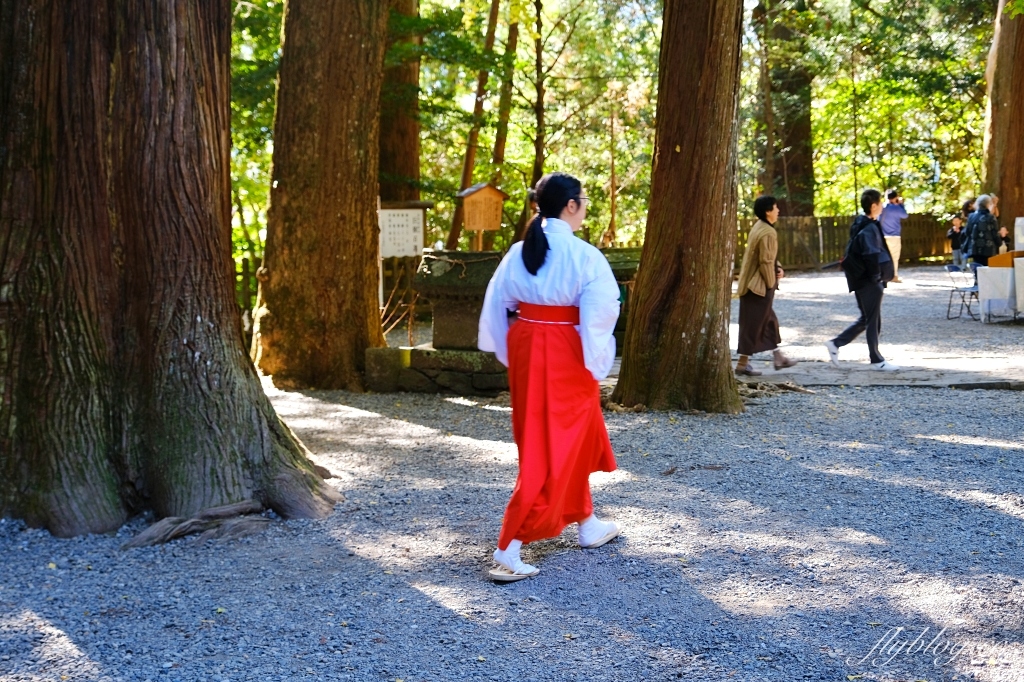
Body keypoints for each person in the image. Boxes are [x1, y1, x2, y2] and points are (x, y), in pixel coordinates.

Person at [478, 172, 621, 582]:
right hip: (564, 350)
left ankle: (586, 520)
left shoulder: (520, 252)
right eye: (585, 199)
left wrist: (517, 344)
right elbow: (600, 314)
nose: (586, 206)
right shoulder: (584, 256)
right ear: (570, 206)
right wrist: (595, 358)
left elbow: (499, 303)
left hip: (529, 344)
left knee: (563, 438)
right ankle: (509, 546)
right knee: (554, 445)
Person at [825, 189, 900, 371]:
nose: (882, 207)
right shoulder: (869, 228)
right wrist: (877, 279)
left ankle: (835, 344)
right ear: (873, 206)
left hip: (859, 279)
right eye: (880, 203)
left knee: (867, 318)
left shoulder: (860, 223)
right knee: (872, 320)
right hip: (868, 280)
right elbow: (871, 254)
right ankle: (876, 360)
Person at [734, 195, 797, 376]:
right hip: (758, 287)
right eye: (776, 208)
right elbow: (765, 261)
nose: (778, 211)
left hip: (751, 285)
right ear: (768, 211)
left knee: (768, 321)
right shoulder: (768, 232)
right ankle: (742, 364)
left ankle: (779, 357)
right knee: (753, 325)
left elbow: (767, 259)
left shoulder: (760, 227)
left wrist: (778, 268)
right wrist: (771, 283)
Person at [879, 190, 908, 283]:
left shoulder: (882, 207)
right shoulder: (896, 208)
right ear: (895, 197)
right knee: (894, 257)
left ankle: (882, 275)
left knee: (883, 256)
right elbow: (905, 215)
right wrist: (900, 204)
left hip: (883, 235)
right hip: (894, 236)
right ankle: (893, 276)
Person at [965, 194, 1000, 268]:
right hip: (988, 249)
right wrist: (999, 244)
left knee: (977, 269)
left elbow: (967, 232)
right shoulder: (991, 217)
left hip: (974, 249)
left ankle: (977, 279)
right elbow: (995, 234)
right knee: (987, 271)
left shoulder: (971, 216)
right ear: (988, 205)